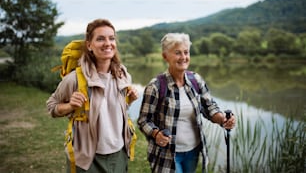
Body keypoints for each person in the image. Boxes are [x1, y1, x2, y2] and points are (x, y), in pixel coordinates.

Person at [47, 18, 139, 173]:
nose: (108, 43)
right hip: (87, 158)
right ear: (89, 45)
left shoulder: (123, 74)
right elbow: (52, 106)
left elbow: (114, 110)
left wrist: (130, 99)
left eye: (111, 38)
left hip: (119, 153)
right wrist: (70, 105)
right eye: (100, 39)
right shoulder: (75, 78)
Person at [137, 33, 236, 173]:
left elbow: (210, 107)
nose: (183, 57)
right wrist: (156, 133)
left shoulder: (196, 80)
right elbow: (143, 120)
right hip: (167, 154)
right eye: (177, 53)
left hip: (193, 151)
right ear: (165, 56)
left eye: (186, 52)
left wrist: (223, 119)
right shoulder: (156, 86)